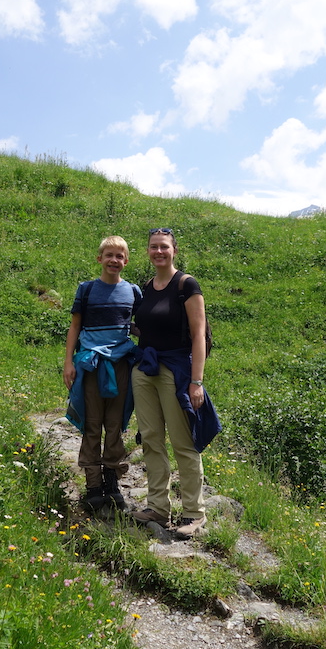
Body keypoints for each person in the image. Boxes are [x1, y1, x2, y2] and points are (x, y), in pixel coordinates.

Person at [130, 227, 220, 539]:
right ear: (148, 251)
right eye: (153, 246)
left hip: (176, 372)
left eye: (164, 247)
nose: (159, 252)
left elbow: (199, 336)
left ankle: (194, 513)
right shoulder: (147, 287)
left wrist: (196, 382)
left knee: (183, 442)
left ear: (174, 251)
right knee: (151, 438)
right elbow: (149, 328)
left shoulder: (186, 285)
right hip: (145, 369)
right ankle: (157, 507)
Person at [64, 236, 141, 512]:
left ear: (126, 261)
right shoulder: (86, 290)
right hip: (91, 365)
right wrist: (68, 362)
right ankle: (93, 486)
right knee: (92, 423)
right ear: (99, 259)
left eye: (119, 256)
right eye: (109, 255)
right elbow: (75, 326)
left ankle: (112, 482)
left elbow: (140, 325)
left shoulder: (133, 292)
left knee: (115, 424)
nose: (114, 260)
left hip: (121, 365)